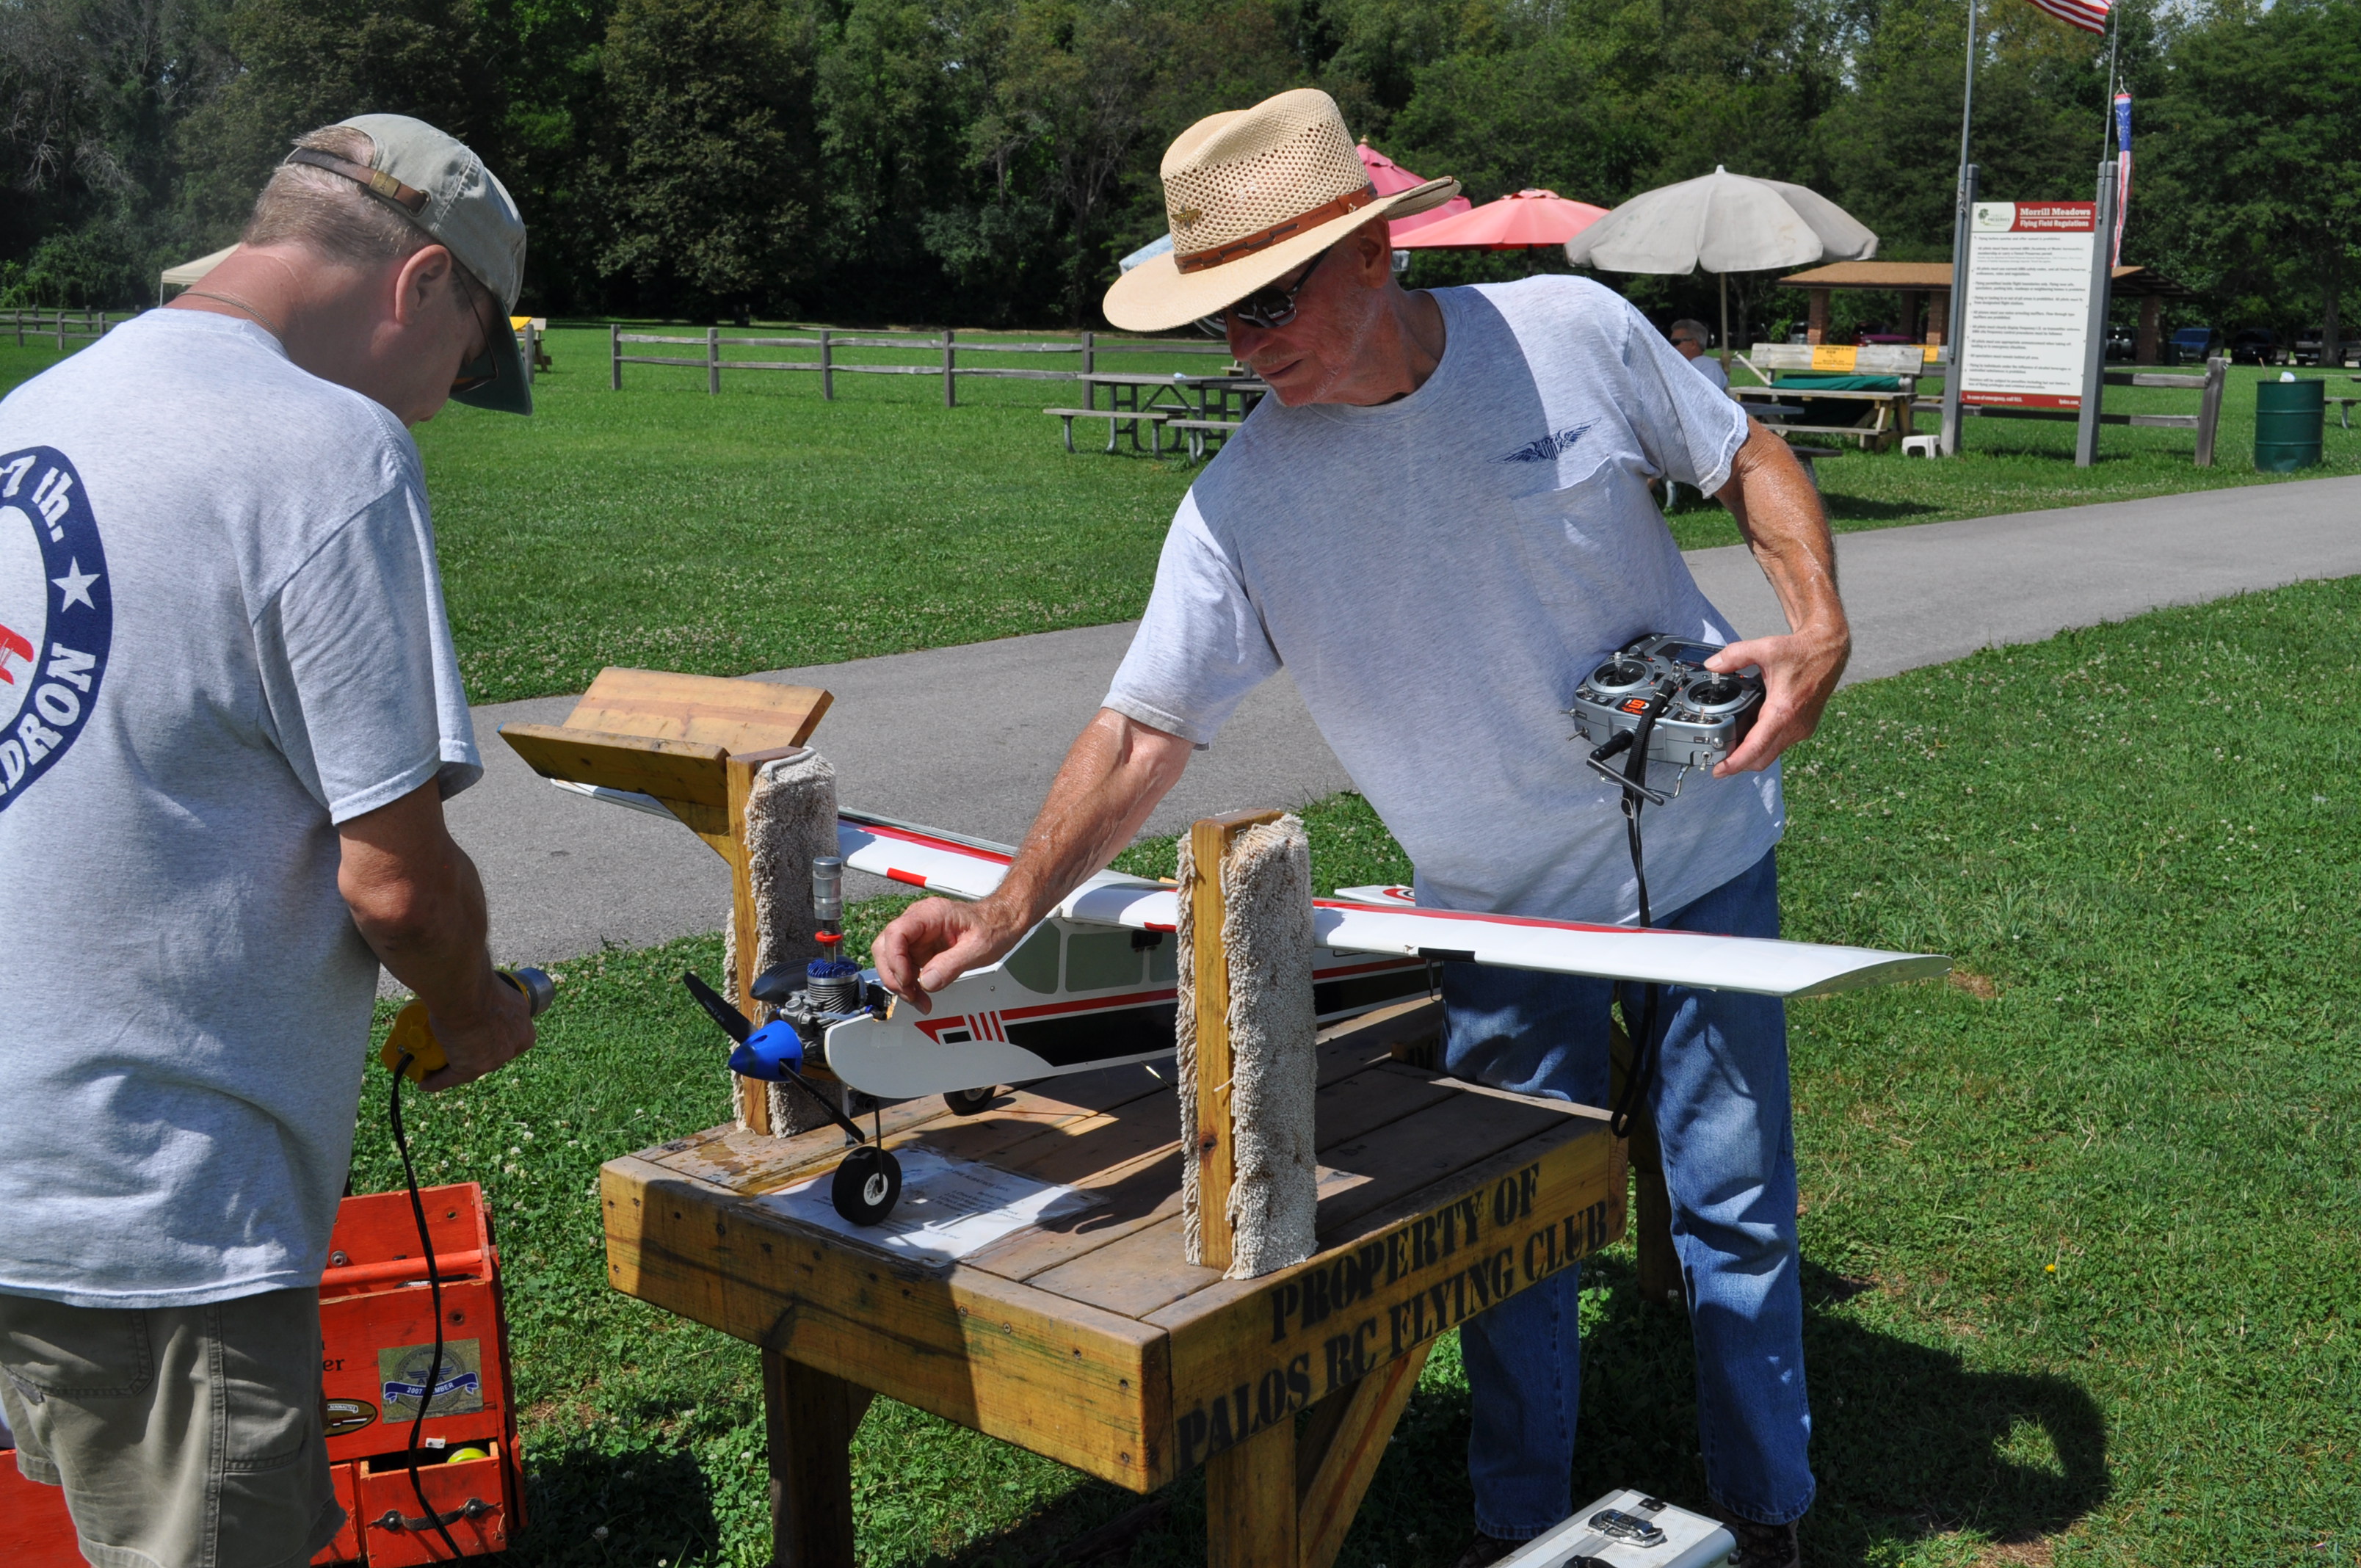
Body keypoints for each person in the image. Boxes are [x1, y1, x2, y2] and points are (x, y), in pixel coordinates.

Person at [873, 89, 1849, 1568]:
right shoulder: (1241, 500)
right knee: (1512, 1235)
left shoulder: (1572, 335)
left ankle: (1771, 1516)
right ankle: (1525, 1524)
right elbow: (1144, 730)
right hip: (1496, 911)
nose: (1248, 343)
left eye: (1270, 300)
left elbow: (1743, 454)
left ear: (1376, 253)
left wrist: (1818, 625)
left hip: (1704, 851)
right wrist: (1006, 913)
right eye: (1222, 318)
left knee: (1733, 1208)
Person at [0, 115, 537, 1568]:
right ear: (425, 283)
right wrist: (476, 1007)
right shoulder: (330, 451)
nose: (442, 401)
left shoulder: (31, 418)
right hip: (158, 1203)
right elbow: (399, 883)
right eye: (474, 356)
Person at [1669, 317, 1730, 389]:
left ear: (1693, 344)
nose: (1671, 347)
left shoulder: (1707, 366)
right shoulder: (1678, 366)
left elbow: (1706, 398)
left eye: (1675, 342)